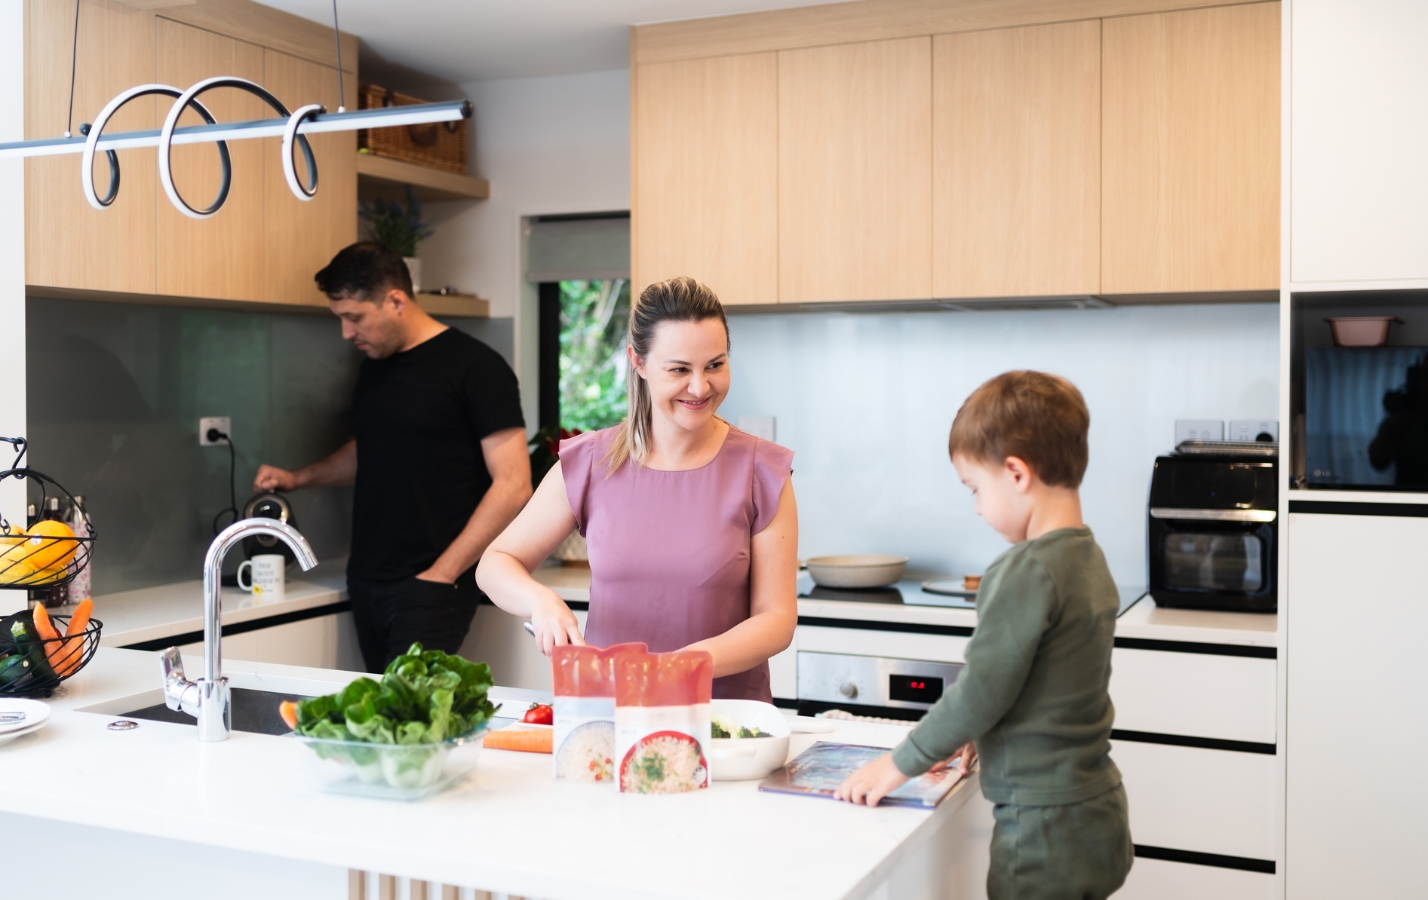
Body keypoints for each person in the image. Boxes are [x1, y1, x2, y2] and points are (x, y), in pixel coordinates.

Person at [834, 371, 1132, 900]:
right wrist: (984, 734)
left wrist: (898, 763)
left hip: (1041, 828)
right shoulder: (1088, 557)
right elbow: (1048, 684)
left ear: (1016, 473)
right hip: (1096, 810)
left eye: (975, 488)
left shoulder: (1025, 570)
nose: (976, 508)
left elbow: (981, 689)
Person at [476, 277, 798, 701]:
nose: (700, 387)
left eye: (715, 365)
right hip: (608, 712)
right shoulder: (590, 462)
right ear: (639, 363)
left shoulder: (762, 470)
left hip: (722, 722)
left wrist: (682, 667)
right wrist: (541, 601)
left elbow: (776, 619)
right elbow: (495, 563)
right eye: (679, 369)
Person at [253, 242, 531, 673]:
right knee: (381, 725)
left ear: (395, 300)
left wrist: (443, 575)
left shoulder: (476, 367)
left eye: (354, 317)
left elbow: (513, 484)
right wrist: (296, 478)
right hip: (366, 581)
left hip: (433, 583)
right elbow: (371, 450)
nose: (347, 333)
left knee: (409, 728)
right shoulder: (374, 367)